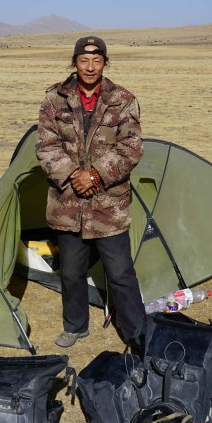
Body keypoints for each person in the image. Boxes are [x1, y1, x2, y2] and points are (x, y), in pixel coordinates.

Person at [36, 36, 146, 348]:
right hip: (67, 203)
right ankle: (75, 326)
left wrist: (95, 175)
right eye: (83, 60)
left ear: (104, 63)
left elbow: (131, 148)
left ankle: (136, 332)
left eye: (96, 60)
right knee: (71, 273)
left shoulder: (123, 99)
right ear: (75, 62)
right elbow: (45, 145)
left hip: (109, 206)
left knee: (121, 273)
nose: (90, 66)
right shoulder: (54, 99)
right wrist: (74, 176)